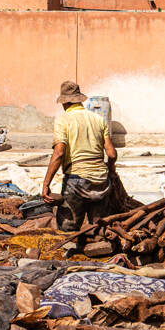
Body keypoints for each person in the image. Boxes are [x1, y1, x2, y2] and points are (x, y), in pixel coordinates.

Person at [42, 80, 121, 231]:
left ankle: (71, 244)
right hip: (101, 181)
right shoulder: (98, 119)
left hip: (76, 181)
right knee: (99, 228)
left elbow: (59, 153)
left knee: (68, 230)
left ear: (64, 102)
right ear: (79, 100)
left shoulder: (63, 120)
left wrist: (46, 184)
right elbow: (111, 154)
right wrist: (111, 170)